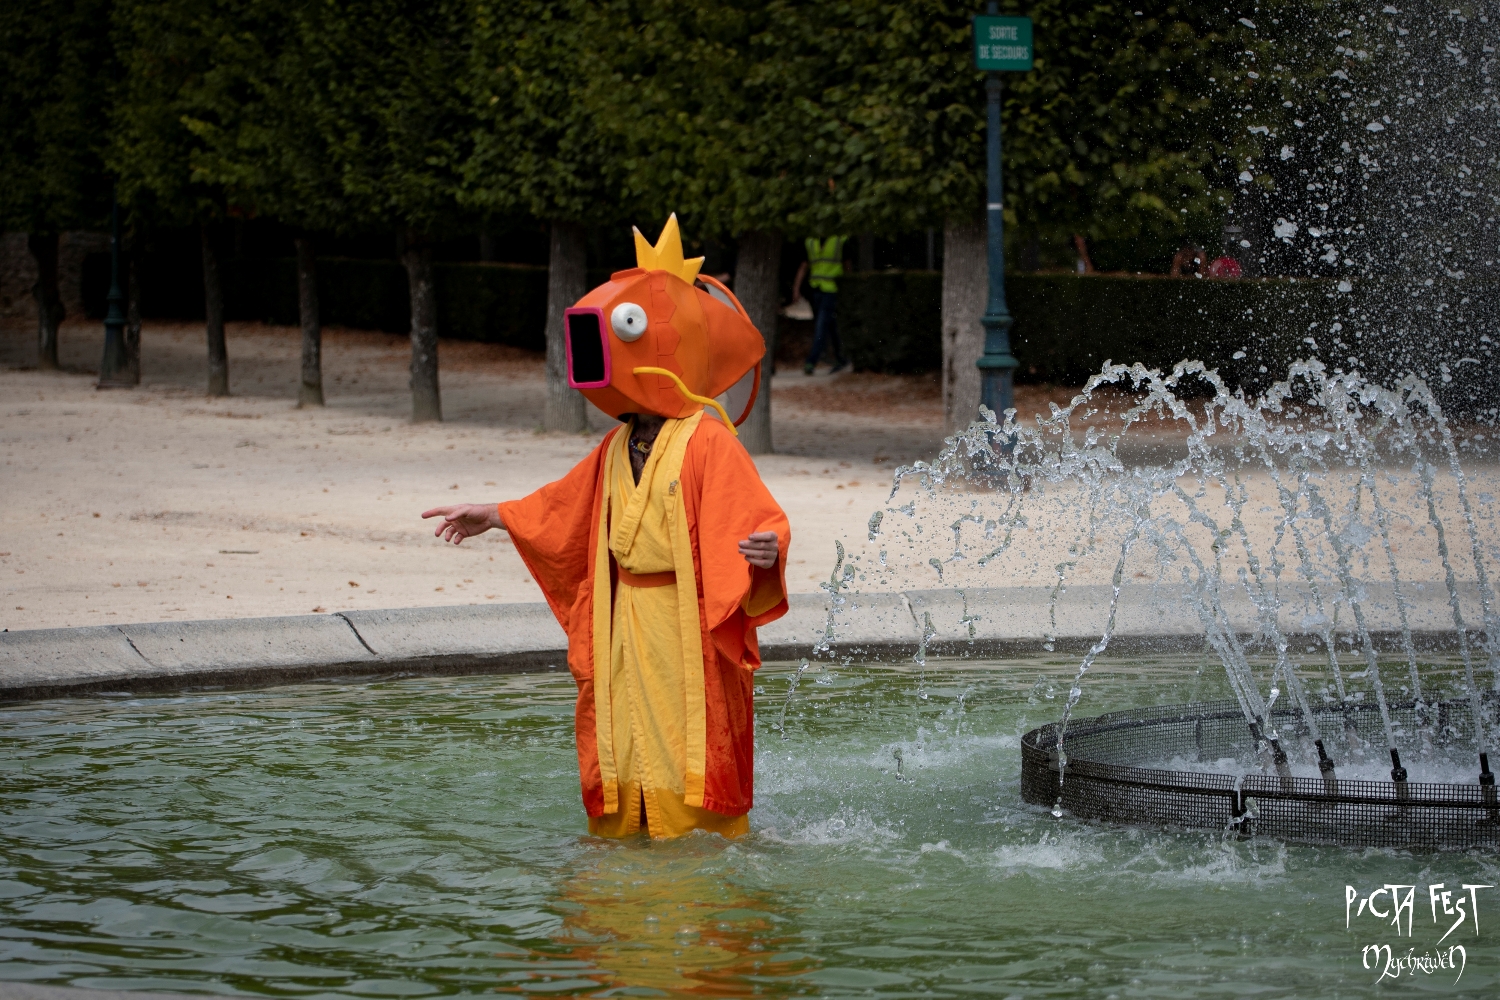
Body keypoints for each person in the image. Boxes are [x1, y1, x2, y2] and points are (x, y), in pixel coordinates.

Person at [422, 215, 789, 840]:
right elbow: (567, 507)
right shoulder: (617, 445)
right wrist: (498, 515)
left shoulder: (708, 442)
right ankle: (632, 829)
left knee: (682, 733)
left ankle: (695, 837)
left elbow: (759, 519)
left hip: (682, 624)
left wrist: (765, 553)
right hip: (624, 622)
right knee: (625, 731)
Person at [791, 235, 849, 375]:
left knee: (822, 325)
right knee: (830, 325)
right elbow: (804, 266)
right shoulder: (811, 241)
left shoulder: (839, 240)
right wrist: (796, 288)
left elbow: (847, 265)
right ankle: (840, 357)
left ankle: (812, 360)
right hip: (817, 289)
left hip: (832, 289)